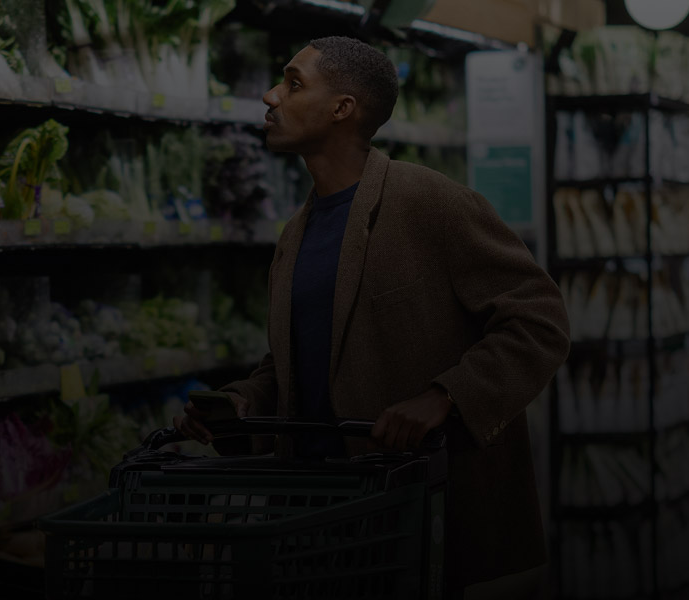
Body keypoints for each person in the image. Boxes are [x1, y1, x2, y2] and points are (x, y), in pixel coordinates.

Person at [175, 36, 569, 599]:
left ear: (342, 108)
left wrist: (446, 395)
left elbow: (541, 319)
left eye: (293, 83)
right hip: (313, 520)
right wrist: (242, 404)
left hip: (412, 510)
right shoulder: (295, 235)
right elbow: (300, 359)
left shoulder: (429, 201)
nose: (269, 96)